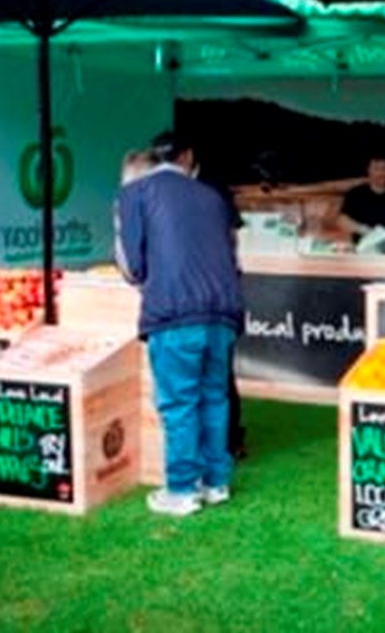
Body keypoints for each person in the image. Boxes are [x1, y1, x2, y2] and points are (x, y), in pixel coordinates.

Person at [116, 132, 243, 517]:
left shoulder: (136, 193)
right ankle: (216, 482)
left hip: (174, 312)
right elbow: (232, 253)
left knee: (179, 402)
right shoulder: (211, 195)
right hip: (223, 312)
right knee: (213, 397)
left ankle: (182, 489)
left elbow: (130, 264)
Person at [150, 130, 247, 458]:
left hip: (194, 300)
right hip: (214, 298)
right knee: (210, 388)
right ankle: (214, 465)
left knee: (198, 391)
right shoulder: (202, 193)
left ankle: (224, 447)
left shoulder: (209, 187)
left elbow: (231, 239)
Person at [337, 155, 385, 250]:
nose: (381, 173)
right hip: (366, 244)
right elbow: (342, 220)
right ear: (369, 170)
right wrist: (368, 232)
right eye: (376, 169)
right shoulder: (356, 194)